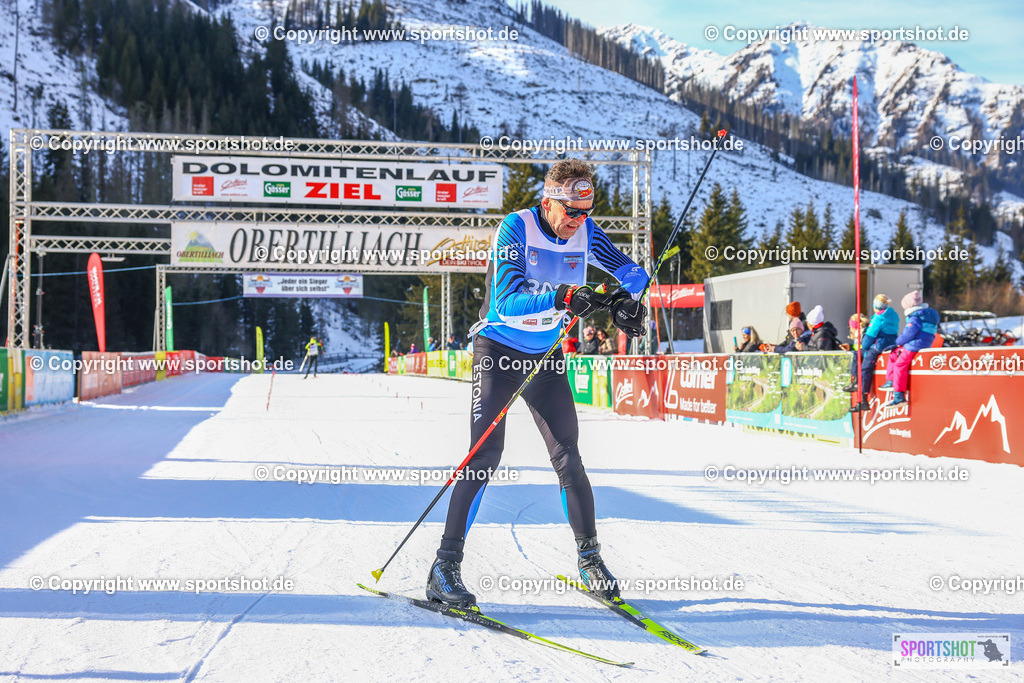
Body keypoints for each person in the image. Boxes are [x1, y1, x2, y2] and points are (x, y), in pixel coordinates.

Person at [427, 158, 650, 608]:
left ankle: (590, 560)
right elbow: (506, 301)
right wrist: (563, 295)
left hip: (545, 357)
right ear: (550, 202)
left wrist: (626, 301)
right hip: (499, 352)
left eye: (586, 212)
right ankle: (443, 567)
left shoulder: (586, 232)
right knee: (485, 454)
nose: (578, 222)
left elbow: (633, 272)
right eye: (570, 212)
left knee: (568, 455)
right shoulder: (517, 227)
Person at [880, 290, 939, 406]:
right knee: (894, 353)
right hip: (922, 342)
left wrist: (897, 343)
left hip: (916, 344)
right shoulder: (926, 315)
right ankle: (890, 381)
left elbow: (908, 333)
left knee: (900, 364)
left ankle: (899, 395)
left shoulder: (915, 317)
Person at [847, 295, 900, 412]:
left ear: (876, 306)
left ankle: (862, 398)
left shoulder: (878, 318)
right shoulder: (893, 315)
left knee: (865, 368)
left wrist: (863, 347)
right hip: (892, 342)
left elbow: (870, 336)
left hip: (879, 345)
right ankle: (859, 389)